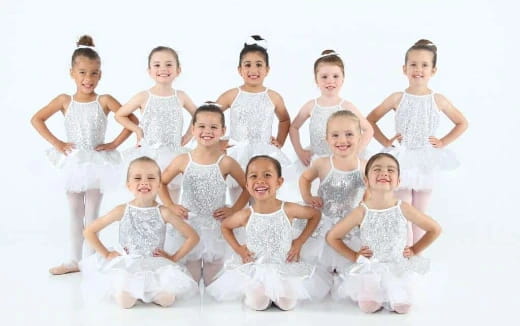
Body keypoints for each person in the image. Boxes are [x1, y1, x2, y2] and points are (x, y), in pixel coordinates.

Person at [31, 35, 135, 275]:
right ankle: (73, 259)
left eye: (94, 73)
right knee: (74, 212)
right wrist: (57, 143)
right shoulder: (64, 100)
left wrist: (113, 144)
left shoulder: (104, 100)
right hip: (75, 163)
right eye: (83, 73)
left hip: (97, 163)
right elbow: (36, 119)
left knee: (92, 214)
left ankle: (90, 259)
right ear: (72, 73)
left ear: (101, 74)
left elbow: (130, 120)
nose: (88, 79)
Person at [367, 39, 467, 243]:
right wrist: (387, 142)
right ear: (404, 68)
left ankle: (415, 254)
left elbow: (462, 123)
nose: (418, 69)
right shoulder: (397, 98)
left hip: (426, 160)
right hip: (402, 159)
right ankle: (403, 253)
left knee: (420, 215)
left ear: (433, 70)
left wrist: (443, 142)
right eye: (413, 64)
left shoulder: (438, 100)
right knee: (403, 210)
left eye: (424, 65)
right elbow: (370, 120)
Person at [207, 156, 330, 311]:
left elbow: (315, 215)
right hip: (256, 266)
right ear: (247, 184)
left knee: (287, 304)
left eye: (267, 175)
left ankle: (275, 293)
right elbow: (225, 226)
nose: (260, 181)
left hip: (283, 265)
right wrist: (239, 249)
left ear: (279, 182)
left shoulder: (288, 209)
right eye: (253, 176)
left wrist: (299, 241)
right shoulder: (246, 214)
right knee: (258, 304)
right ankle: (258, 292)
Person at [327, 153, 441, 313]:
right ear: (366, 181)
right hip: (371, 266)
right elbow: (333, 237)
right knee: (368, 306)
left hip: (397, 266)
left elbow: (435, 229)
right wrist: (354, 256)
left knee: (403, 307)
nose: (384, 173)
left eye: (391, 170)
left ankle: (394, 293)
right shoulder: (362, 211)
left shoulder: (403, 207)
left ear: (398, 182)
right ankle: (373, 292)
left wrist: (414, 250)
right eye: (377, 169)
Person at [80, 156, 199, 308]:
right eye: (137, 178)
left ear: (158, 185)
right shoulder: (122, 210)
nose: (144, 182)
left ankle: (150, 292)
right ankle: (130, 291)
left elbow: (192, 237)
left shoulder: (164, 212)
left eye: (151, 178)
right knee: (125, 302)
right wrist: (107, 254)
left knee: (167, 300)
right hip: (128, 263)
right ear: (128, 185)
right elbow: (89, 231)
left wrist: (174, 257)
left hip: (156, 264)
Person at [159, 103, 249, 286]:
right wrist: (170, 205)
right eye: (201, 126)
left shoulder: (226, 162)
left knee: (211, 281)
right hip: (189, 225)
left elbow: (248, 186)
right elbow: (161, 182)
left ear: (223, 130)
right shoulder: (183, 159)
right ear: (193, 129)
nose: (207, 131)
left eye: (214, 127)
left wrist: (234, 209)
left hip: (215, 226)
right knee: (190, 280)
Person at [115, 45, 197, 203]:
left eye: (169, 64)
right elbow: (120, 115)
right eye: (157, 65)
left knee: (172, 201)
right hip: (149, 155)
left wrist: (187, 135)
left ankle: (172, 227)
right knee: (148, 198)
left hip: (174, 155)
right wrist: (137, 130)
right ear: (149, 71)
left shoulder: (181, 96)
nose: (163, 69)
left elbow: (198, 116)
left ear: (178, 70)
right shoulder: (144, 96)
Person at [216, 35, 292, 202]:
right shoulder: (232, 95)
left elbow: (285, 120)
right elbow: (210, 116)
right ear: (239, 69)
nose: (253, 70)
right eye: (247, 65)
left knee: (264, 197)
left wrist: (279, 141)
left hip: (264, 152)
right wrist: (218, 142)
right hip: (237, 152)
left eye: (259, 65)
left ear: (267, 69)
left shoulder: (273, 97)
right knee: (238, 198)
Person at [297, 111, 366, 271]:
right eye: (335, 135)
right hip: (325, 217)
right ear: (327, 139)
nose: (342, 140)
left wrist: (365, 205)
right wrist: (307, 197)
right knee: (319, 258)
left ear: (359, 137)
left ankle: (341, 268)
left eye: (349, 134)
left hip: (350, 221)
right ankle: (325, 269)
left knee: (350, 260)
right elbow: (305, 178)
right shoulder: (322, 163)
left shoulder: (363, 166)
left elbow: (372, 190)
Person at [289, 49, 372, 168]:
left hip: (341, 162)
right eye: (324, 77)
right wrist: (300, 152)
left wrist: (355, 152)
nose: (330, 81)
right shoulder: (311, 106)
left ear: (343, 79)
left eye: (335, 76)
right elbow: (294, 127)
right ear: (316, 79)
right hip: (317, 161)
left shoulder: (346, 106)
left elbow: (368, 129)